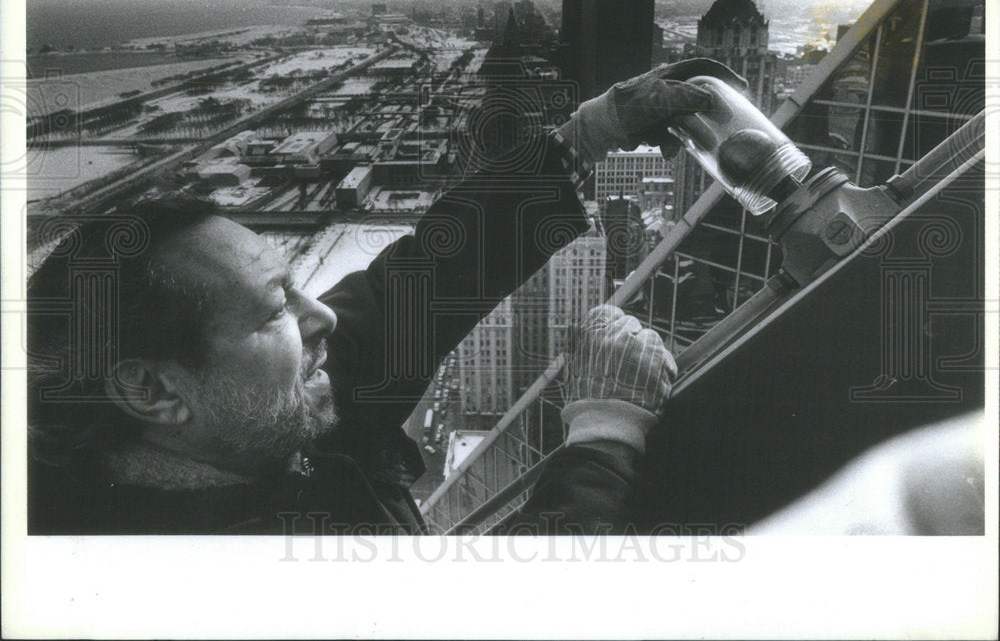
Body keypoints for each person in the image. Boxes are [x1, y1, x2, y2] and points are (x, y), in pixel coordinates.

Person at [26, 59, 746, 535]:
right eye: (277, 309)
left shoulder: (253, 411)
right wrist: (603, 438)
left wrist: (587, 134)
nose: (324, 315)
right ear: (152, 389)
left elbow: (410, 283)